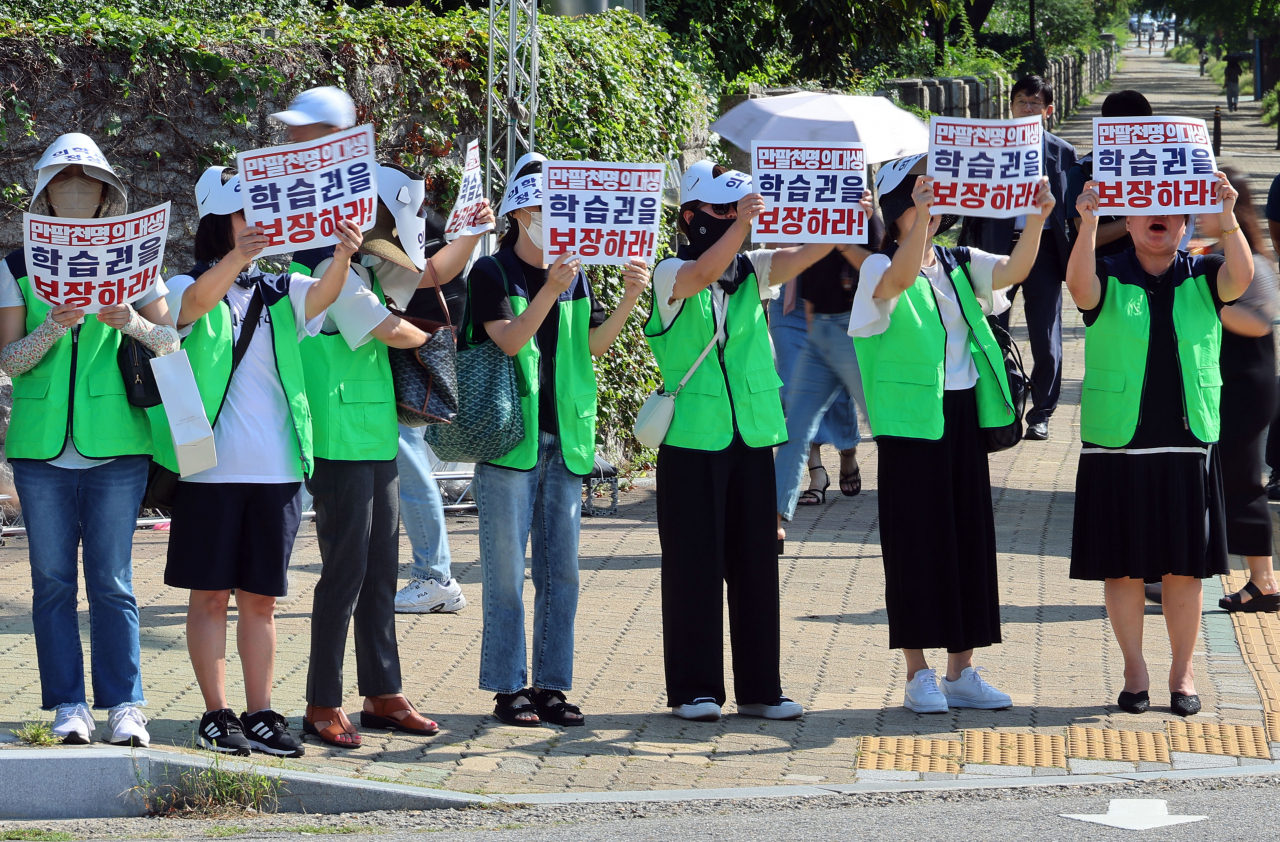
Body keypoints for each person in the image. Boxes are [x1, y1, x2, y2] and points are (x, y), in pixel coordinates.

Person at [154, 165, 357, 755]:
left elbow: (321, 296)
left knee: (262, 600)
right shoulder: (185, 282)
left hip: (279, 470)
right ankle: (216, 715)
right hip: (210, 470)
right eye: (245, 216)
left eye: (263, 218)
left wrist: (342, 254)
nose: (259, 228)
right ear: (219, 222)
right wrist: (237, 260)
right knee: (209, 595)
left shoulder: (283, 287)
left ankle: (262, 711)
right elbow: (190, 306)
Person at [289, 161, 486, 747]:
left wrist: (471, 231)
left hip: (373, 436)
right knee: (344, 572)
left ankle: (382, 692)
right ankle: (322, 700)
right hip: (337, 442)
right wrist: (440, 337)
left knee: (378, 571)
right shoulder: (327, 268)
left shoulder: (369, 269)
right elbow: (392, 332)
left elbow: (428, 274)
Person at [848, 156, 1053, 714]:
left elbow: (1013, 271)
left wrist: (1036, 218)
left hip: (962, 417)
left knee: (967, 539)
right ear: (896, 208)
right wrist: (916, 218)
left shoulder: (960, 262)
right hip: (909, 427)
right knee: (915, 543)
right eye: (918, 194)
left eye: (934, 195)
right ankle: (917, 673)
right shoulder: (877, 268)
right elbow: (898, 281)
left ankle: (961, 670)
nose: (933, 202)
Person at [0, 134, 180, 747]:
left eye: (88, 181)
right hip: (39, 448)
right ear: (42, 194)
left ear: (108, 194)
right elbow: (11, 362)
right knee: (51, 580)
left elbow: (171, 345)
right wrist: (52, 327)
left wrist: (129, 318)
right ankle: (68, 705)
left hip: (117, 445)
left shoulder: (136, 260)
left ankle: (126, 703)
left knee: (113, 579)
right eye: (62, 181)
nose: (75, 190)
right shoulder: (17, 264)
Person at [644, 160, 834, 723]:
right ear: (690, 215)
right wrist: (739, 228)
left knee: (756, 564)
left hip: (752, 435)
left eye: (739, 207)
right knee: (692, 565)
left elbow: (802, 256)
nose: (734, 216)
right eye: (722, 209)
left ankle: (761, 690)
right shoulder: (669, 271)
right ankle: (694, 690)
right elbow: (701, 274)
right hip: (691, 439)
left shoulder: (751, 268)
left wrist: (840, 212)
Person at [471, 155, 649, 727]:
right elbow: (509, 340)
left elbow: (591, 350)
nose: (558, 219)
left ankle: (550, 685)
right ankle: (507, 687)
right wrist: (549, 287)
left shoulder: (578, 274)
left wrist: (627, 297)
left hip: (564, 436)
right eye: (547, 208)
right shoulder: (492, 274)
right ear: (521, 213)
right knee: (505, 572)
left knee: (561, 571)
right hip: (509, 439)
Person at [1067, 172, 1253, 716]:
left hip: (1187, 442)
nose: (1160, 220)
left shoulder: (1204, 273)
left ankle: (1183, 670)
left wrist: (1228, 216)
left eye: (1172, 213)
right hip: (1117, 444)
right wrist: (1087, 222)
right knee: (1121, 566)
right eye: (1148, 212)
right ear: (1129, 221)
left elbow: (1243, 281)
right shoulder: (1108, 271)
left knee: (1185, 567)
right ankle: (1134, 668)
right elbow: (1078, 290)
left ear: (1184, 223)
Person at [962, 76, 1076, 442]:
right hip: (996, 250)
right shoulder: (989, 149)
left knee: (1046, 335)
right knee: (993, 328)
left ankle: (1041, 411)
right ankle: (1001, 403)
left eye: (1035, 104)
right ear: (1009, 106)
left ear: (1048, 110)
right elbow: (972, 203)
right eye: (1021, 102)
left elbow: (1071, 211)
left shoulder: (1063, 152)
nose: (1027, 109)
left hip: (1043, 249)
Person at [394, 212, 492, 615]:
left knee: (410, 465)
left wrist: (469, 236)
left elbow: (427, 275)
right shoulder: (416, 222)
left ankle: (435, 576)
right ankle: (432, 575)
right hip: (410, 358)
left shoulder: (415, 225)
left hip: (411, 358)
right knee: (407, 466)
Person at [1197, 169, 1279, 613]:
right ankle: (1256, 581)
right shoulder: (1214, 253)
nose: (1196, 213)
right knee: (1228, 478)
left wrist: (1207, 300)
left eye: (1207, 202)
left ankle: (1265, 583)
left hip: (1247, 387)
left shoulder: (1254, 262)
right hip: (1231, 384)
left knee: (1243, 480)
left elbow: (1259, 320)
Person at [773, 198, 880, 533]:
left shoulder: (865, 213)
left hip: (855, 330)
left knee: (885, 423)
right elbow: (803, 269)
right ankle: (772, 520)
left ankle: (919, 506)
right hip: (818, 326)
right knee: (796, 426)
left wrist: (863, 219)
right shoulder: (807, 209)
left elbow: (881, 267)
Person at [769, 278, 860, 507]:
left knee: (839, 392)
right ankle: (816, 473)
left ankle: (848, 450)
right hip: (787, 300)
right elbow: (770, 247)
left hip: (838, 297)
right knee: (796, 390)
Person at [1065, 90, 1153, 257]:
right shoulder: (1083, 172)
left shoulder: (1157, 167)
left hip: (1149, 268)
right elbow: (1091, 235)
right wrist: (1139, 215)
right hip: (1099, 270)